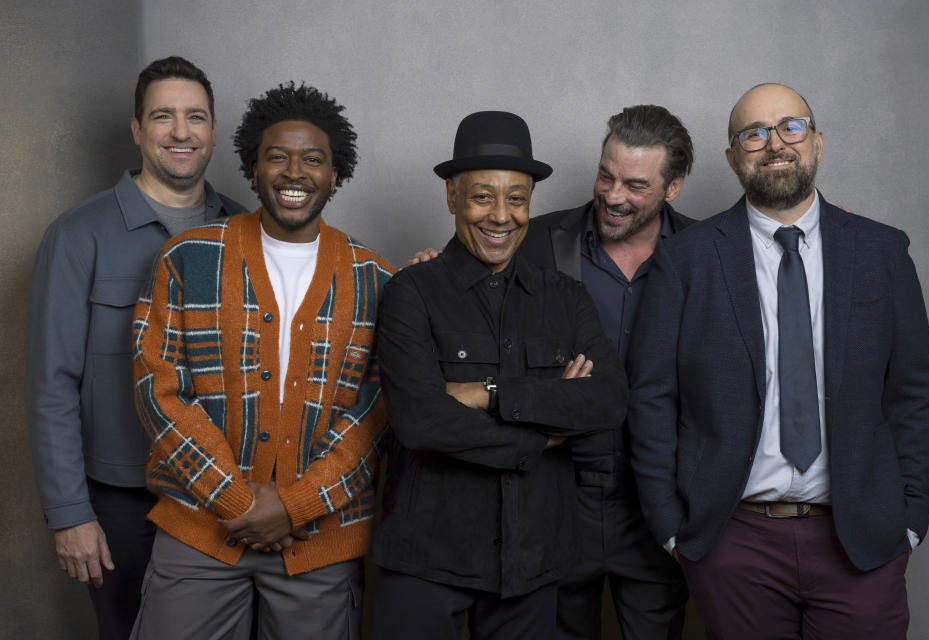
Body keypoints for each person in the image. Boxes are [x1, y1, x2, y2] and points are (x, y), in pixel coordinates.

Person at [629, 82, 929, 639]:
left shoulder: (882, 252)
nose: (774, 143)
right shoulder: (686, 259)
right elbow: (653, 397)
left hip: (862, 539)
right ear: (731, 158)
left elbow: (913, 393)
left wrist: (911, 520)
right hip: (733, 540)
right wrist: (673, 530)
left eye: (790, 127)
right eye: (752, 133)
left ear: (817, 141)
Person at [128, 82, 393, 638]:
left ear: (335, 173)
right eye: (277, 156)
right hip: (199, 530)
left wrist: (294, 506)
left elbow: (376, 413)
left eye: (313, 159)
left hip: (319, 542)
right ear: (252, 168)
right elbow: (160, 390)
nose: (294, 172)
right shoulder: (187, 258)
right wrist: (239, 501)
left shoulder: (377, 280)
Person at [369, 110, 627, 640]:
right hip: (426, 555)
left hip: (534, 560)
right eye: (483, 196)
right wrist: (543, 433)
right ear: (452, 197)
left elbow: (606, 401)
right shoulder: (409, 293)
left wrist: (489, 393)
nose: (501, 216)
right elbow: (420, 420)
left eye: (516, 198)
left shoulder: (566, 298)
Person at [24, 55, 243, 640]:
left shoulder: (245, 230)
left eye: (195, 117)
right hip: (123, 504)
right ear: (137, 129)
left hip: (225, 498)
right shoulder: (77, 235)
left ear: (214, 130)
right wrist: (71, 515)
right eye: (163, 116)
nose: (180, 132)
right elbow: (51, 385)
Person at [519, 105, 694, 640]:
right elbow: (468, 306)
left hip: (659, 508)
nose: (613, 195)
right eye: (606, 175)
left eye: (635, 185)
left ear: (674, 187)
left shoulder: (708, 255)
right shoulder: (536, 243)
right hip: (554, 501)